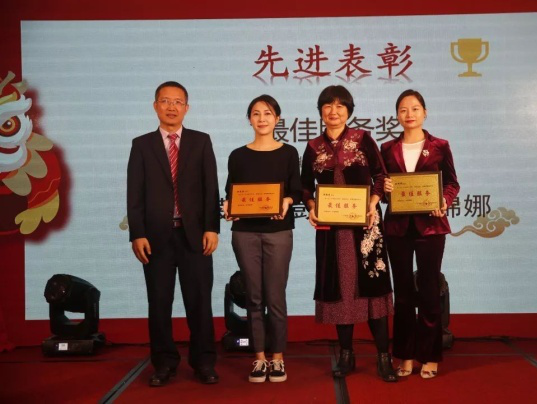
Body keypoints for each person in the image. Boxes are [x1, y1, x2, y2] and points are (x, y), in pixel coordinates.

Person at [301, 85, 397, 383]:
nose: (334, 111)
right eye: (328, 106)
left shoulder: (363, 139)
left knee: (373, 288)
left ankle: (384, 356)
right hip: (332, 231)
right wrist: (312, 207)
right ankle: (346, 354)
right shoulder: (313, 146)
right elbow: (304, 187)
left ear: (349, 111)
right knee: (340, 288)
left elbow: (381, 176)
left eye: (340, 106)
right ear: (320, 111)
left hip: (366, 225)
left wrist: (372, 203)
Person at [127, 81, 220, 386]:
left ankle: (203, 362)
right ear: (155, 106)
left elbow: (211, 189)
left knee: (200, 303)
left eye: (178, 102)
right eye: (165, 101)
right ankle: (164, 363)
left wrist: (212, 228)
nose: (171, 107)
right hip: (156, 238)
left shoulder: (201, 141)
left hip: (194, 236)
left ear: (186, 108)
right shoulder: (141, 145)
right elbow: (134, 193)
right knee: (159, 303)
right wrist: (137, 233)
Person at [381, 89, 460, 379]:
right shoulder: (387, 148)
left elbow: (452, 183)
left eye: (415, 108)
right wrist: (385, 188)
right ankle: (404, 354)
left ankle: (429, 355)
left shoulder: (440, 145)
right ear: (397, 115)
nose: (409, 114)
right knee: (402, 294)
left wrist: (444, 201)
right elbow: (381, 186)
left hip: (431, 227)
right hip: (397, 229)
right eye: (403, 109)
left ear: (425, 112)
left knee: (428, 290)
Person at [223, 95, 302, 383]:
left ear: (277, 118)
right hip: (244, 232)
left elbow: (296, 190)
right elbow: (231, 191)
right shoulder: (237, 155)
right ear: (249, 119)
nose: (262, 119)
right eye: (256, 114)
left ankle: (277, 357)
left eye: (267, 113)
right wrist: (228, 206)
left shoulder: (289, 153)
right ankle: (258, 358)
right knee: (253, 297)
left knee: (275, 296)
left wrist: (287, 201)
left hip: (278, 232)